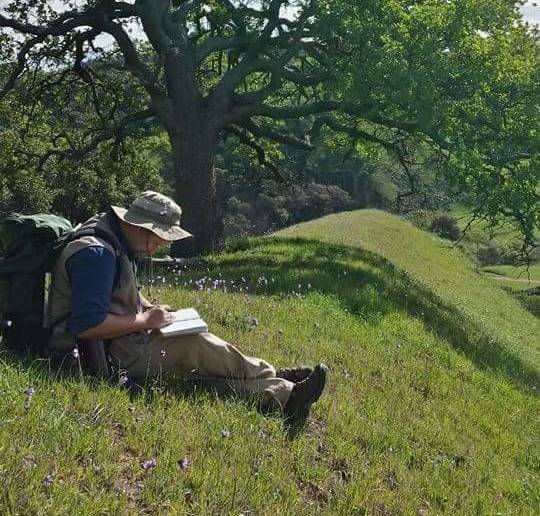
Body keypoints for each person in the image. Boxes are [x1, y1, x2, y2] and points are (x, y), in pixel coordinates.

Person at [48, 191, 327, 425]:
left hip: (115, 341)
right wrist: (145, 320)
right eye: (159, 238)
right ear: (142, 227)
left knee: (196, 355)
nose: (160, 246)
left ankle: (278, 385)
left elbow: (113, 293)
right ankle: (282, 391)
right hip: (95, 354)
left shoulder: (113, 235)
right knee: (195, 345)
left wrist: (148, 308)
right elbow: (87, 325)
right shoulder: (96, 254)